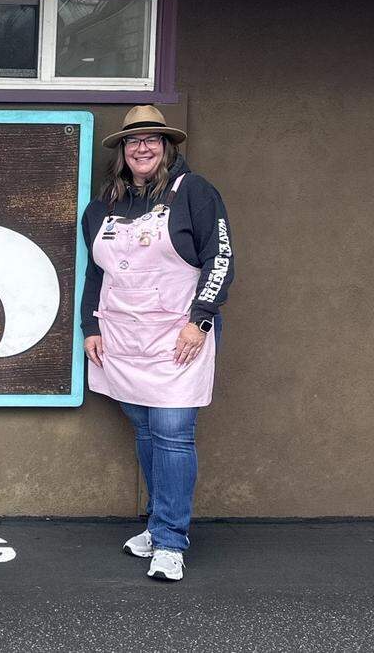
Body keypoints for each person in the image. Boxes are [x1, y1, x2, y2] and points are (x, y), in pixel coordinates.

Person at [81, 105, 234, 582]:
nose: (142, 148)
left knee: (172, 432)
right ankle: (157, 522)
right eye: (133, 141)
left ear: (167, 147)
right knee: (146, 429)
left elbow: (220, 258)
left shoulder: (196, 193)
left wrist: (200, 321)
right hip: (123, 337)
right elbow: (94, 271)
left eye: (152, 140)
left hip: (177, 337)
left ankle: (170, 540)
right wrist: (91, 326)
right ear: (122, 152)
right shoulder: (103, 205)